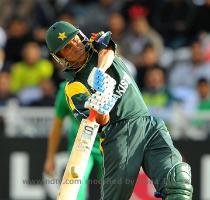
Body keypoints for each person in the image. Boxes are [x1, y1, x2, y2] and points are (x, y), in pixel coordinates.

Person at [45, 21, 193, 200]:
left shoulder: (97, 42)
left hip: (148, 123)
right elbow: (102, 121)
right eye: (67, 47)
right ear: (61, 57)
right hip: (119, 136)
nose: (75, 45)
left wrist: (99, 72)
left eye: (74, 39)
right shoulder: (73, 87)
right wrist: (100, 104)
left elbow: (108, 51)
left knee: (177, 181)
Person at [44, 81, 103, 200]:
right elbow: (57, 126)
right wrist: (50, 157)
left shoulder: (106, 83)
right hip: (81, 146)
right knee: (74, 184)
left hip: (106, 144)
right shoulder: (65, 89)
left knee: (114, 186)